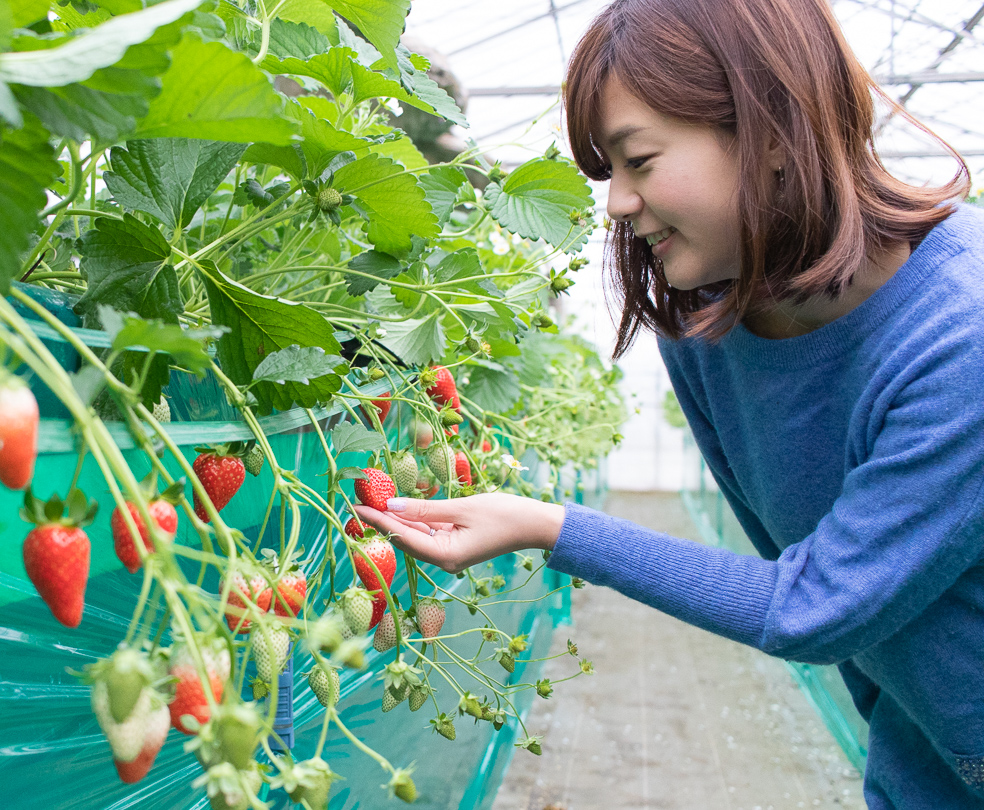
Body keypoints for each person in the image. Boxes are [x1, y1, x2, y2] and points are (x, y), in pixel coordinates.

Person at [354, 0, 984, 806]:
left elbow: (817, 607)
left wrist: (548, 525)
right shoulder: (705, 328)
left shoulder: (959, 333)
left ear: (773, 134)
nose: (616, 201)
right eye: (606, 172)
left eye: (639, 160)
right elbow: (817, 594)